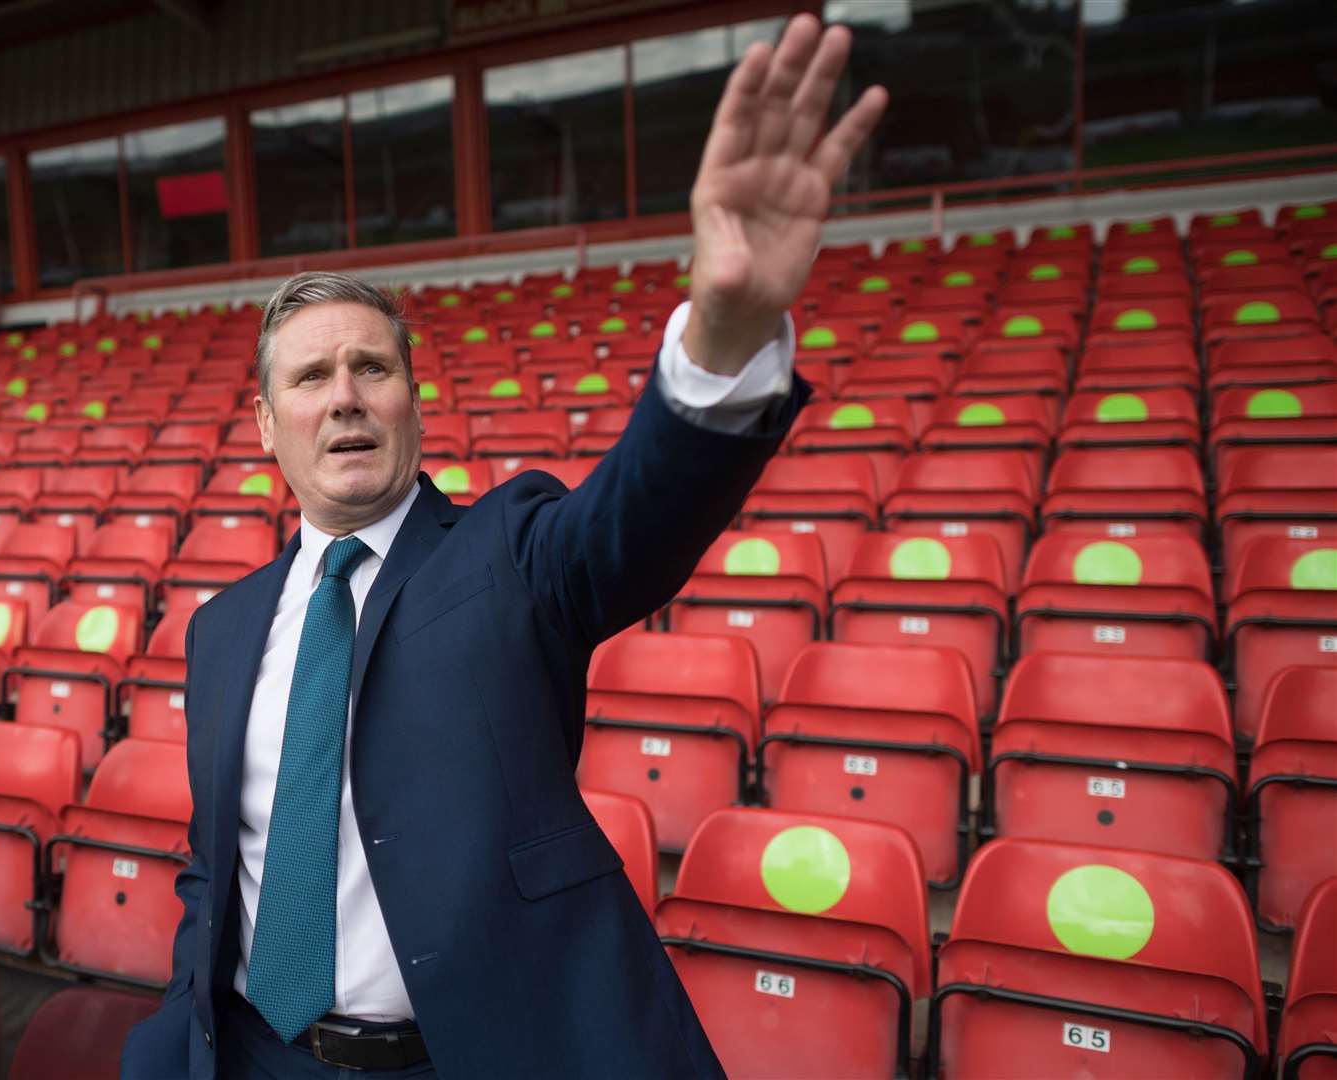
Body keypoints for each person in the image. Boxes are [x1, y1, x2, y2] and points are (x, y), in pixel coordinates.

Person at [123, 14, 886, 1078]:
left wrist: (724, 329)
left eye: (372, 368)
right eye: (310, 378)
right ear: (265, 424)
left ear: (414, 402)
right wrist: (176, 1040)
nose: (344, 397)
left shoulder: (510, 553)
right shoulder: (221, 630)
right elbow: (220, 868)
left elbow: (636, 518)